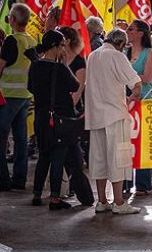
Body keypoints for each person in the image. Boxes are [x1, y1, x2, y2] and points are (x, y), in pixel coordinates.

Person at [84, 29, 143, 215]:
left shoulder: (93, 55)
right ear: (121, 44)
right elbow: (136, 83)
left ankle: (101, 201)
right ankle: (119, 202)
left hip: (95, 115)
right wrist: (133, 98)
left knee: (99, 158)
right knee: (118, 158)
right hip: (115, 114)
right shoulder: (117, 56)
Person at [27, 30, 81, 210]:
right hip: (59, 119)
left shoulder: (35, 66)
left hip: (41, 116)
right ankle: (55, 198)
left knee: (44, 156)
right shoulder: (59, 68)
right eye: (62, 46)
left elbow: (31, 88)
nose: (64, 50)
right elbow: (75, 86)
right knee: (58, 157)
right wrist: (64, 65)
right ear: (55, 47)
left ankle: (36, 193)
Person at [0, 3, 36, 191]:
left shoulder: (11, 40)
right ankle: (19, 178)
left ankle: (3, 179)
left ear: (13, 20)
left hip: (8, 96)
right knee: (20, 139)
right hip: (25, 96)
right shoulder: (32, 40)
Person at [57, 27, 95, 206]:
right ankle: (63, 186)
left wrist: (67, 106)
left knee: (73, 151)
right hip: (59, 110)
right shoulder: (57, 59)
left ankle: (76, 186)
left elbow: (78, 88)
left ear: (68, 40)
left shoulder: (79, 62)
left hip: (73, 111)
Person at [125, 19, 152, 195]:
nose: (128, 32)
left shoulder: (150, 53)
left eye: (131, 29)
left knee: (144, 143)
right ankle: (125, 182)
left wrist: (127, 75)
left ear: (141, 33)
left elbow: (146, 78)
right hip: (126, 101)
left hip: (144, 101)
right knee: (125, 143)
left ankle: (143, 184)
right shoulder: (124, 52)